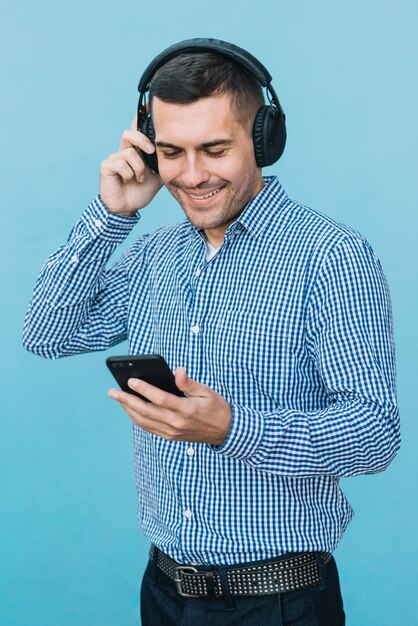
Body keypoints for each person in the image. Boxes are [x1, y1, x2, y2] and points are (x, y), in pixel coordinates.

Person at [23, 38, 400, 625]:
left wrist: (230, 427)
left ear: (263, 139)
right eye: (171, 151)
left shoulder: (332, 256)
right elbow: (46, 332)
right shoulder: (154, 256)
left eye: (215, 149)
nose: (192, 175)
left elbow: (375, 434)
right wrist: (113, 215)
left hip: (281, 603)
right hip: (164, 591)